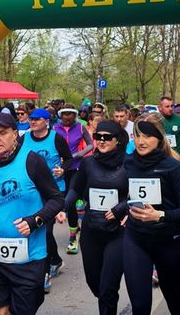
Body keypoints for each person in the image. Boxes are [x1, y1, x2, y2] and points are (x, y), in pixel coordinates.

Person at [0, 113, 64, 314]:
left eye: (2, 133)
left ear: (15, 134)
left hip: (29, 257)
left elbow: (56, 200)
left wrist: (34, 221)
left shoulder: (32, 161)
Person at [123, 113, 180, 314]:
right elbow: (122, 195)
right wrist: (122, 210)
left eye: (147, 136)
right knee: (140, 305)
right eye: (137, 135)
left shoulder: (173, 166)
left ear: (159, 137)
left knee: (172, 295)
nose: (141, 141)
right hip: (136, 238)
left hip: (168, 240)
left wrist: (159, 215)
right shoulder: (127, 163)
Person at [66, 120, 129, 315]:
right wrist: (61, 207)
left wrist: (122, 208)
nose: (101, 140)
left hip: (118, 232)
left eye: (107, 137)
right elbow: (75, 190)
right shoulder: (88, 163)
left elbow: (139, 196)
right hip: (91, 230)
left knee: (108, 287)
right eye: (98, 136)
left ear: (118, 140)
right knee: (95, 284)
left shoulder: (129, 163)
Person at [20, 107, 73, 293]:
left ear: (46, 122)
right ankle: (56, 260)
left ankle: (44, 274)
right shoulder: (24, 138)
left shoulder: (56, 138)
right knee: (38, 230)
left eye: (37, 119)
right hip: (32, 191)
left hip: (53, 191)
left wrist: (63, 169)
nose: (33, 122)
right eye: (31, 119)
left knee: (45, 230)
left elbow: (69, 158)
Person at [54, 104, 94, 254]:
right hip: (59, 169)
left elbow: (90, 145)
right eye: (65, 114)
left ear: (75, 115)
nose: (67, 117)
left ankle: (72, 238)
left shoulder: (80, 127)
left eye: (70, 114)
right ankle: (74, 229)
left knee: (70, 200)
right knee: (65, 201)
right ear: (60, 115)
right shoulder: (55, 128)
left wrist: (78, 154)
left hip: (76, 168)